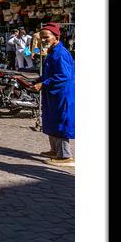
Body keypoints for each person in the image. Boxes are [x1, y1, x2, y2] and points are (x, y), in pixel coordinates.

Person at [33, 23, 75, 166]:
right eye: (42, 38)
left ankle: (65, 156)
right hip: (53, 95)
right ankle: (55, 150)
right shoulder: (53, 51)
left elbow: (63, 75)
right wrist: (39, 80)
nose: (43, 40)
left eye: (46, 37)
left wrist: (43, 84)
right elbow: (51, 73)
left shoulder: (61, 53)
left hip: (62, 95)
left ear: (56, 37)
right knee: (52, 120)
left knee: (60, 123)